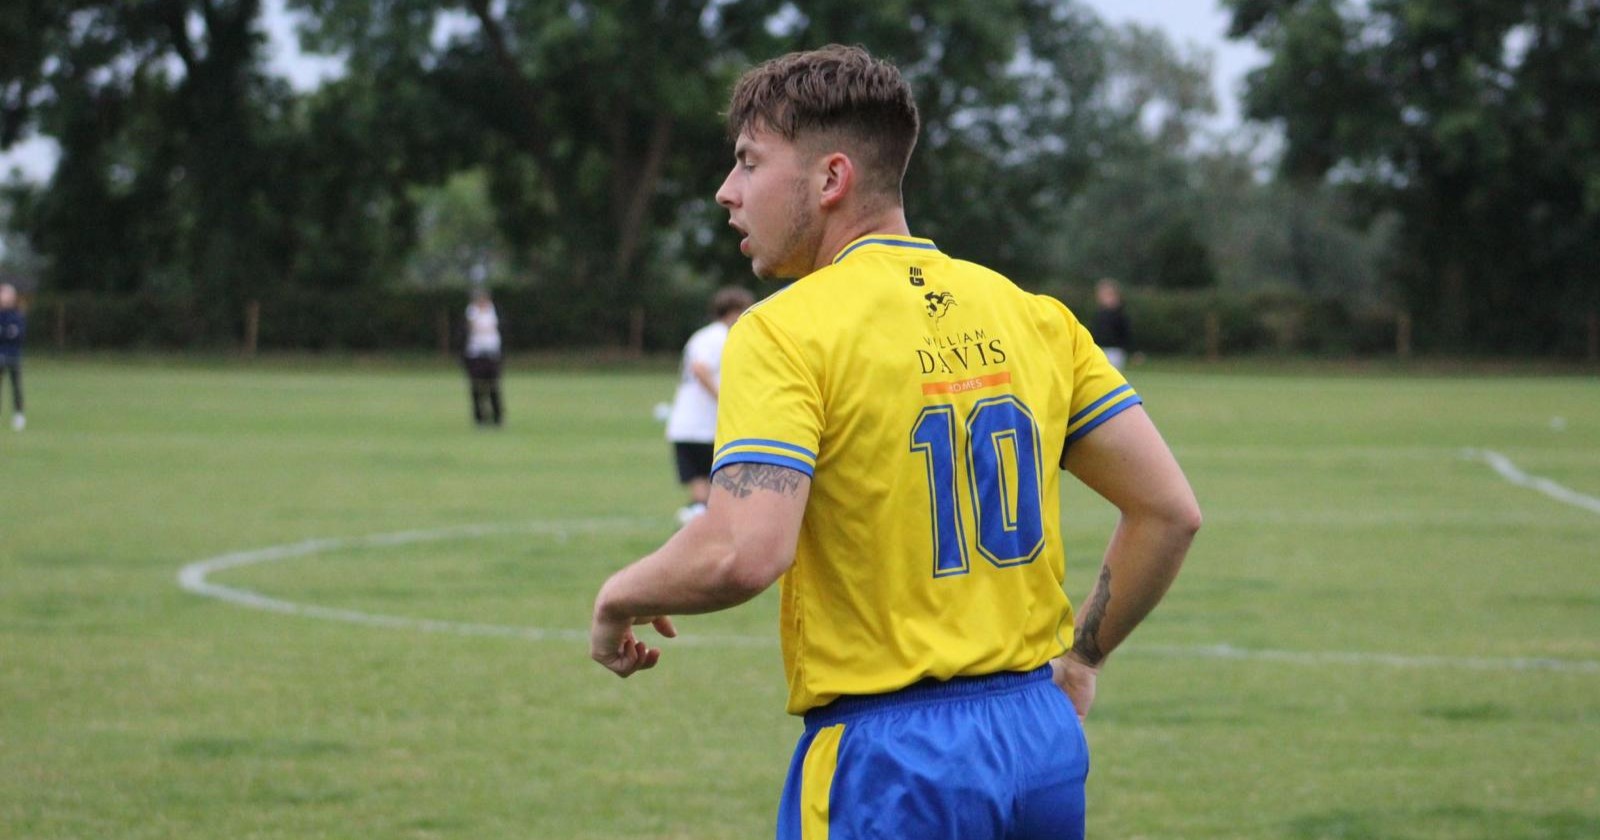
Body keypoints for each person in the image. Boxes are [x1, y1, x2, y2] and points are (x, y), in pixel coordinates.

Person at [589, 46, 1200, 839]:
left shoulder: (785, 330)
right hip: (1039, 745)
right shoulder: (1033, 315)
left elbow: (743, 551)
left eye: (748, 162)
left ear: (831, 179)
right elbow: (1168, 511)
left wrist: (618, 597)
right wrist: (1081, 658)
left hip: (894, 761)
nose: (726, 192)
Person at [665, 285, 756, 525]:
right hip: (703, 426)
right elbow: (700, 368)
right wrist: (724, 398)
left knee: (701, 486)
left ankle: (697, 523)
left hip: (686, 425)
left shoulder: (704, 336)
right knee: (719, 485)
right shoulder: (717, 336)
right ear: (734, 311)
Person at [462, 287, 503, 427]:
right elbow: (473, 327)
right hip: (476, 354)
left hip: (491, 354)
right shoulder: (472, 311)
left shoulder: (493, 311)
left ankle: (497, 417)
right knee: (477, 386)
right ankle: (479, 418)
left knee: (493, 386)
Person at [1091, 277, 1135, 370]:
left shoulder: (1119, 314)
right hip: (1100, 348)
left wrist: (1131, 350)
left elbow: (1126, 334)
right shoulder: (1100, 314)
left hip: (1115, 351)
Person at [0, 283, 24, 432]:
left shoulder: (17, 315)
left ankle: (18, 414)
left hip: (13, 356)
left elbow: (18, 335)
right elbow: (8, 333)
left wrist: (6, 333)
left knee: (16, 385)